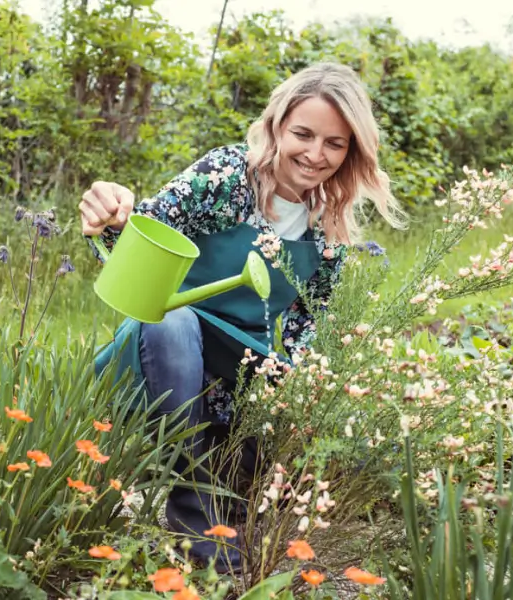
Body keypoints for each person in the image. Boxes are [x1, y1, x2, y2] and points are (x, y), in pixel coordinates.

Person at [78, 62, 406, 572]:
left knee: (270, 410)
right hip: (157, 353)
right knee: (177, 321)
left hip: (239, 373)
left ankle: (226, 513)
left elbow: (309, 324)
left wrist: (296, 391)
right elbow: (136, 245)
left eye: (335, 144)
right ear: (276, 125)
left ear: (352, 152)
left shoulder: (328, 223)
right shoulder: (228, 177)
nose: (316, 155)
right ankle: (194, 509)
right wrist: (109, 213)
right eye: (303, 134)